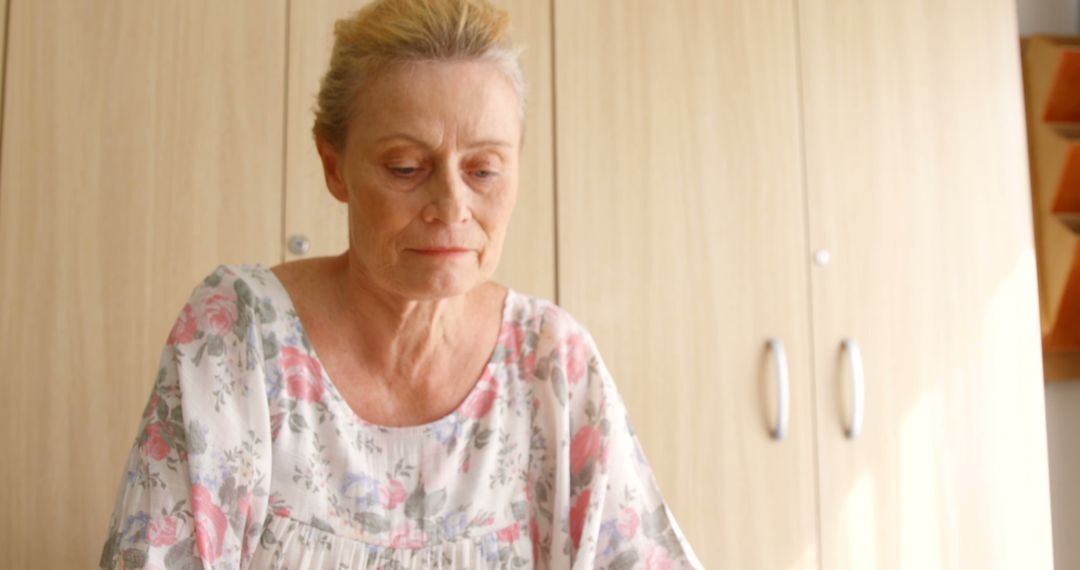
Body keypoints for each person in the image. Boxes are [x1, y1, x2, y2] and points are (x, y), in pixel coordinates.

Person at [99, 0, 702, 568]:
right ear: (335, 168)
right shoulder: (238, 337)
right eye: (406, 168)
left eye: (484, 169)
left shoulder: (551, 364)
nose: (451, 205)